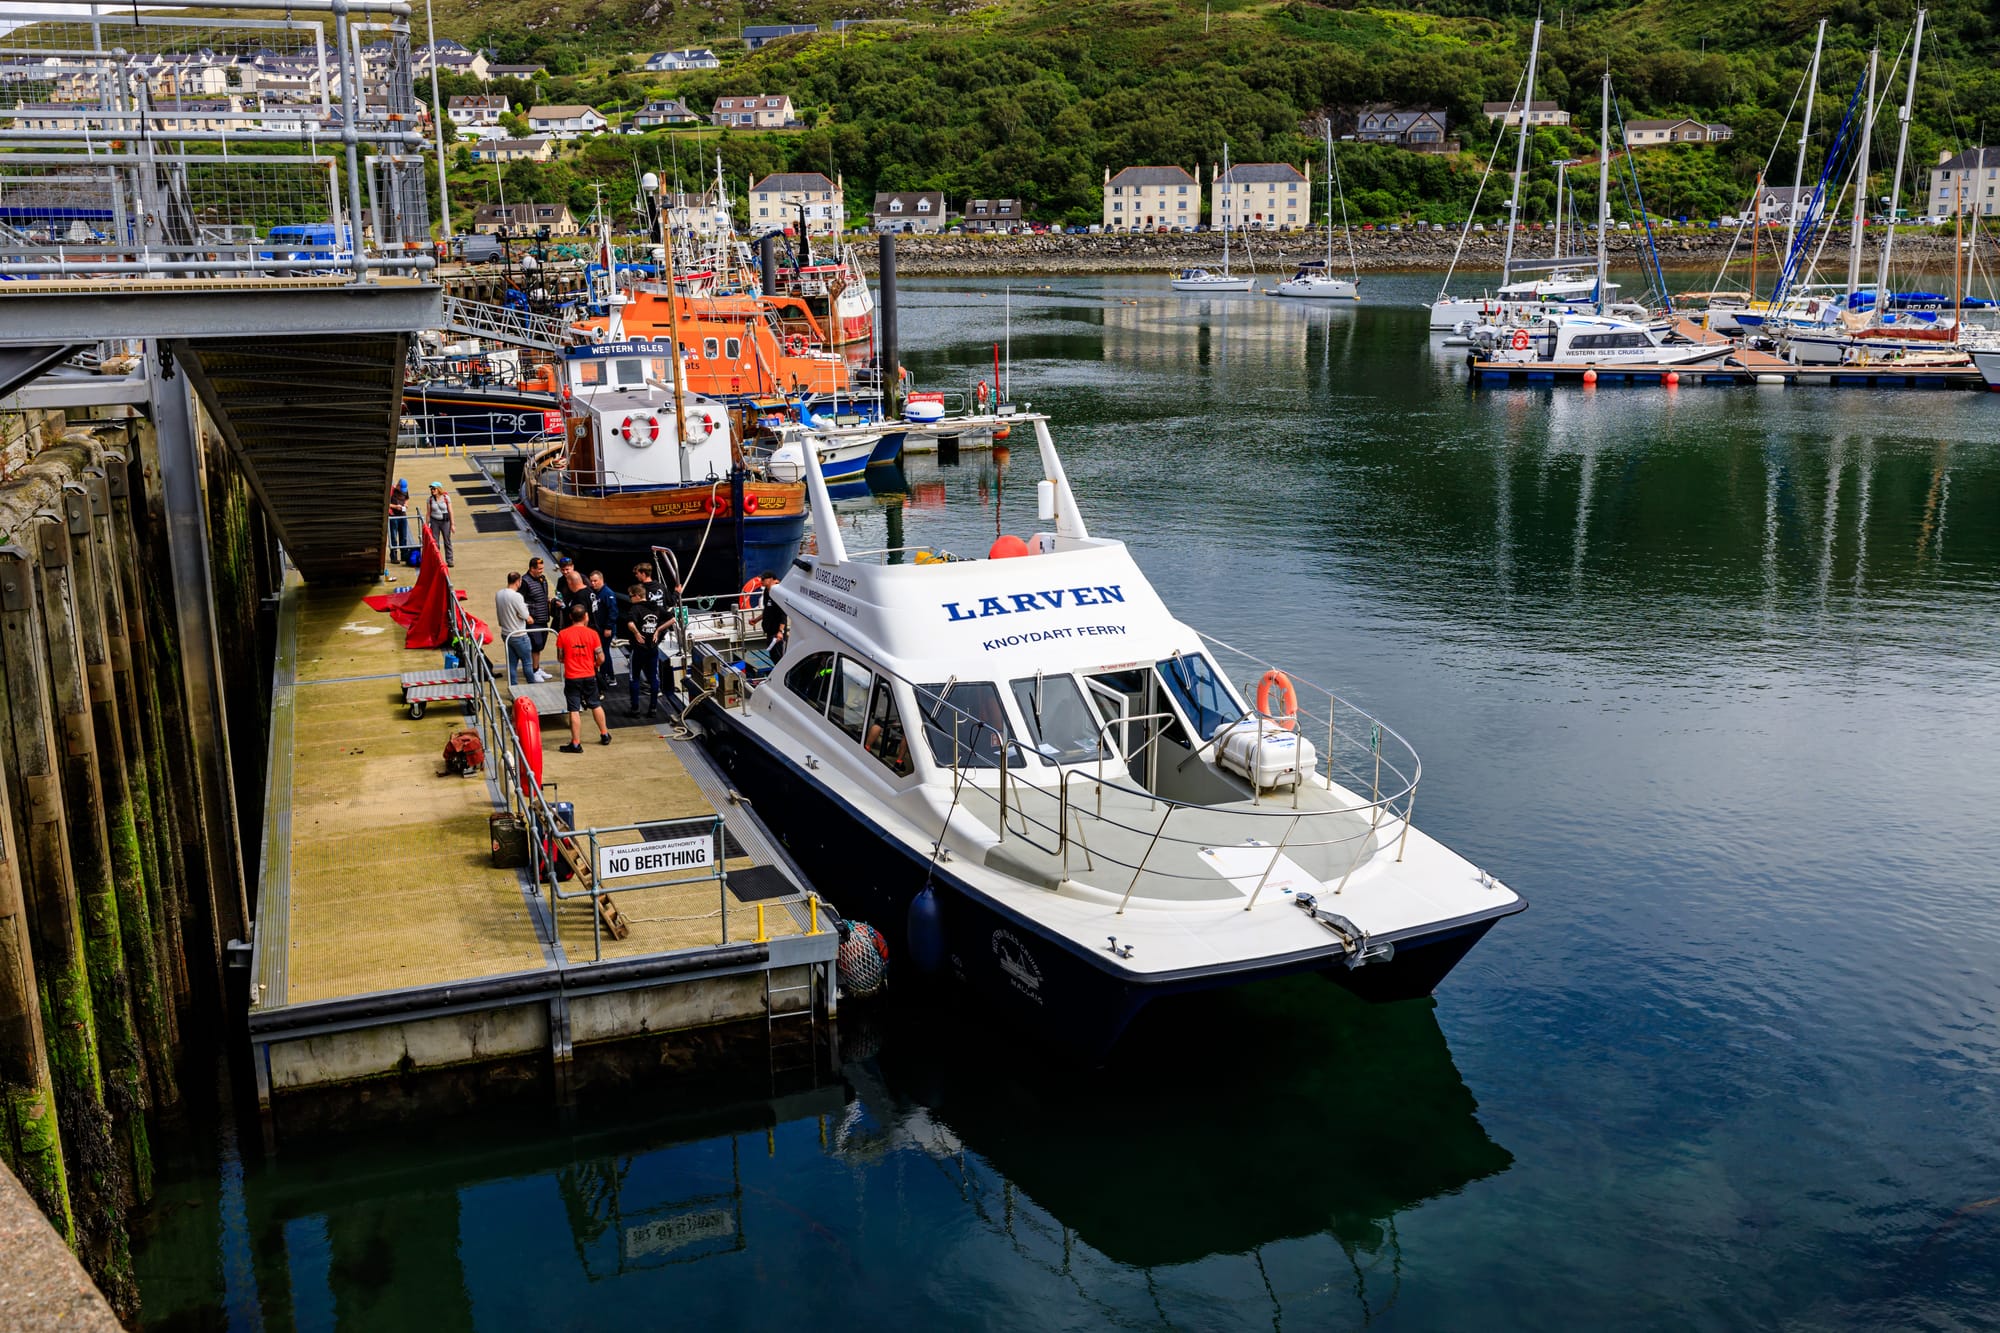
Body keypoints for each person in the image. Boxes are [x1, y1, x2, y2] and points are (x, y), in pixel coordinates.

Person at [554, 603, 610, 751]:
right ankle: (604, 734)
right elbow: (602, 658)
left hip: (572, 676)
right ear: (586, 616)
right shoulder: (592, 634)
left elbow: (560, 657)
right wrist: (593, 664)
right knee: (595, 704)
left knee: (573, 709)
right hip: (589, 675)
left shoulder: (563, 634)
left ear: (570, 617)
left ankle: (576, 743)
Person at [623, 583, 662, 717]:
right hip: (652, 648)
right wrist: (658, 630)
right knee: (653, 678)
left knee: (634, 677)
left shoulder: (636, 608)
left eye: (631, 596)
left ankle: (635, 709)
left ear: (637, 596)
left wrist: (636, 633)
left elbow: (630, 623)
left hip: (639, 649)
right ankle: (653, 709)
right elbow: (672, 619)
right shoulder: (655, 607)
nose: (630, 599)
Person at [495, 572, 534, 686]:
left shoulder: (499, 594)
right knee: (527, 662)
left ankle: (513, 686)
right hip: (519, 634)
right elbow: (526, 616)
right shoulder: (517, 596)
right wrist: (527, 615)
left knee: (512, 663)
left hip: (506, 634)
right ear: (518, 581)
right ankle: (532, 685)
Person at [586, 570, 620, 694]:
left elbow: (613, 611)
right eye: (591, 581)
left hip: (606, 629)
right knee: (603, 651)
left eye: (595, 581)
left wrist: (608, 627)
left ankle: (609, 676)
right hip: (599, 627)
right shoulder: (596, 593)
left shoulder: (607, 593)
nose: (593, 583)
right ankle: (607, 674)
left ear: (601, 580)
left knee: (604, 651)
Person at [519, 556, 552, 680]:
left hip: (543, 617)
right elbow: (519, 601)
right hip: (533, 619)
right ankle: (533, 670)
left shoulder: (542, 579)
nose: (541, 571)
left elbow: (543, 595)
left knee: (541, 644)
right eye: (539, 569)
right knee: (535, 644)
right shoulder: (525, 582)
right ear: (531, 568)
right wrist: (527, 616)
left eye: (542, 569)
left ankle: (536, 668)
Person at [759, 570, 788, 663]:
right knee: (772, 654)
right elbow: (767, 610)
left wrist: (780, 631)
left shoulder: (778, 593)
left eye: (763, 579)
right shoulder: (767, 592)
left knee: (778, 655)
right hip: (769, 629)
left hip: (776, 631)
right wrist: (756, 620)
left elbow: (783, 613)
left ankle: (784, 674)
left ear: (771, 579)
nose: (761, 581)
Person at [424, 482, 455, 565]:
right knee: (435, 542)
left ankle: (450, 560)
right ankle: (437, 560)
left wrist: (452, 524)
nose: (432, 490)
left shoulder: (446, 498)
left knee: (447, 541)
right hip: (435, 522)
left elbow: (450, 511)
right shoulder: (430, 499)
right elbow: (428, 513)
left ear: (439, 489)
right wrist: (426, 525)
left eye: (434, 489)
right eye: (431, 489)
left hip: (445, 522)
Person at [386, 479, 410, 566]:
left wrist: (406, 505)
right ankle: (393, 555)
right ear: (398, 485)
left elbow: (407, 499)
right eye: (401, 488)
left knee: (403, 536)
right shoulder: (391, 491)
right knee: (393, 536)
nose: (402, 491)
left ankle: (404, 554)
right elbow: (387, 503)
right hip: (393, 516)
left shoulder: (405, 491)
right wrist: (395, 507)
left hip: (402, 515)